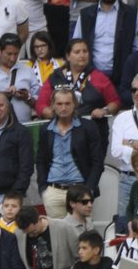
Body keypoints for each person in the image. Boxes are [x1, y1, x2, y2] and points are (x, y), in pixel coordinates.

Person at [35, 88, 104, 216]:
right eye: (59, 104)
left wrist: (89, 189)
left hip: (79, 189)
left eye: (67, 103)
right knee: (57, 235)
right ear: (53, 106)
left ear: (75, 105)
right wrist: (43, 189)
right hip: (53, 190)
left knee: (83, 234)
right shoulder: (46, 130)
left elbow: (97, 162)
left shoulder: (88, 127)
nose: (63, 108)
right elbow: (41, 160)